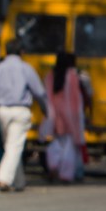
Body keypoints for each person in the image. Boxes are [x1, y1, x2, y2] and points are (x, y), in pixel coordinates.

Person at [0, 39, 48, 192]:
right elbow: (39, 92)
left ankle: (19, 181)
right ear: (22, 52)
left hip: (2, 110)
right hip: (20, 111)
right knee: (14, 145)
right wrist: (46, 109)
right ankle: (4, 178)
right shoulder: (26, 68)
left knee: (11, 145)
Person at [43, 52, 85, 183]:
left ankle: (54, 165)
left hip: (54, 114)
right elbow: (76, 98)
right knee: (69, 146)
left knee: (57, 142)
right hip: (70, 115)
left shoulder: (50, 75)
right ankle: (66, 174)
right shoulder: (72, 76)